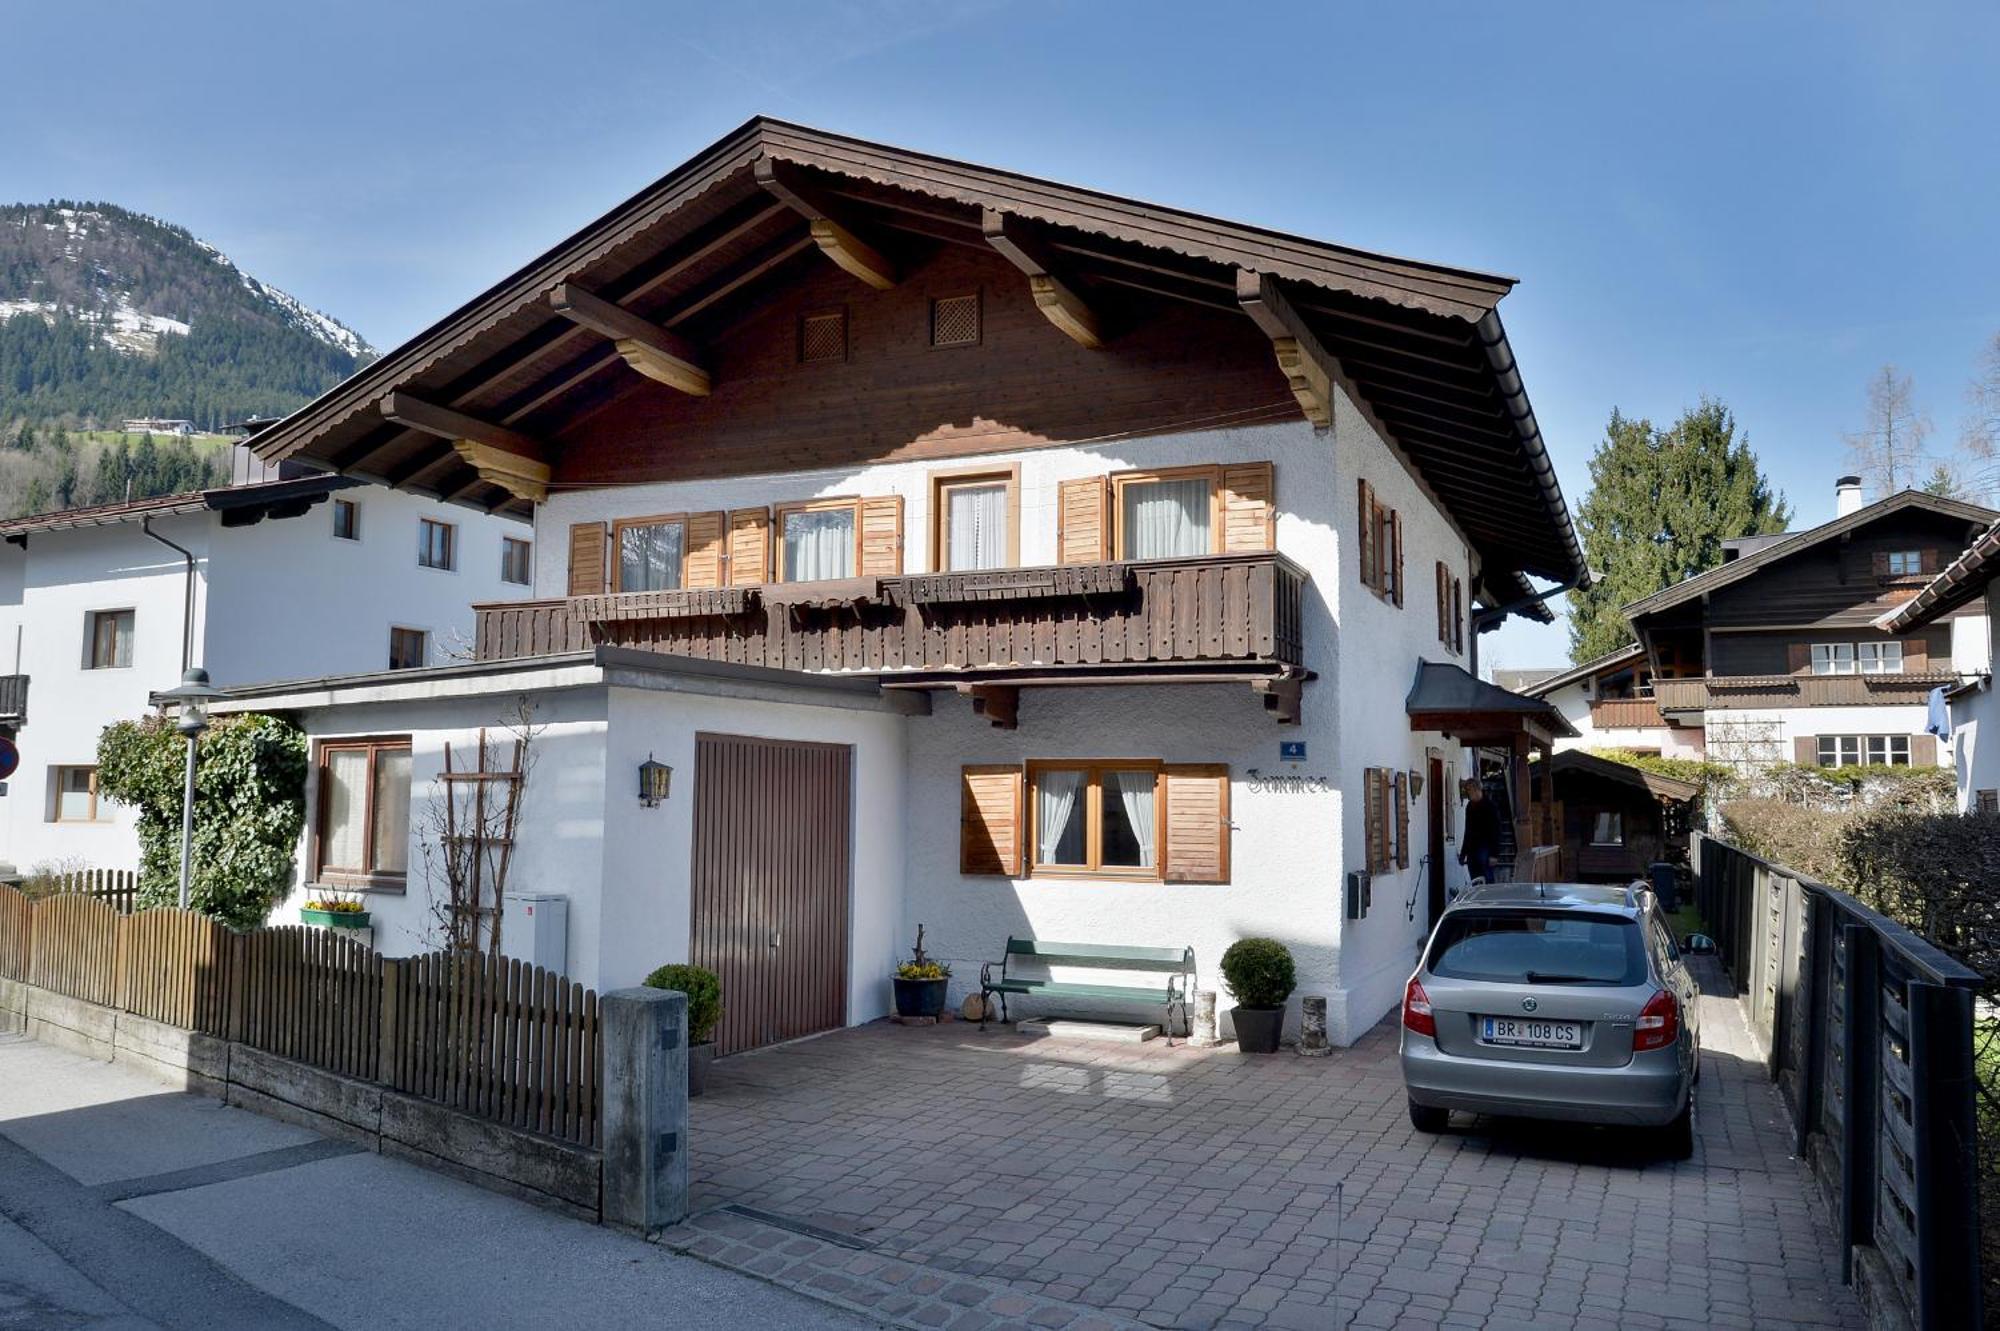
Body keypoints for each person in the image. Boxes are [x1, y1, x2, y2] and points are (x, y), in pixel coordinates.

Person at [1458, 777, 1501, 882]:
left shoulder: (1490, 806)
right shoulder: (1470, 807)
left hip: (1485, 848)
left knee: (1487, 878)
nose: (1468, 792)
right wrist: (1463, 853)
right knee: (1475, 879)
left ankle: (1489, 898)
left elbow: (1496, 831)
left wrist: (1494, 854)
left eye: (1469, 789)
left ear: (1477, 789)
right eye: (1467, 790)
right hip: (1472, 849)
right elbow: (1468, 830)